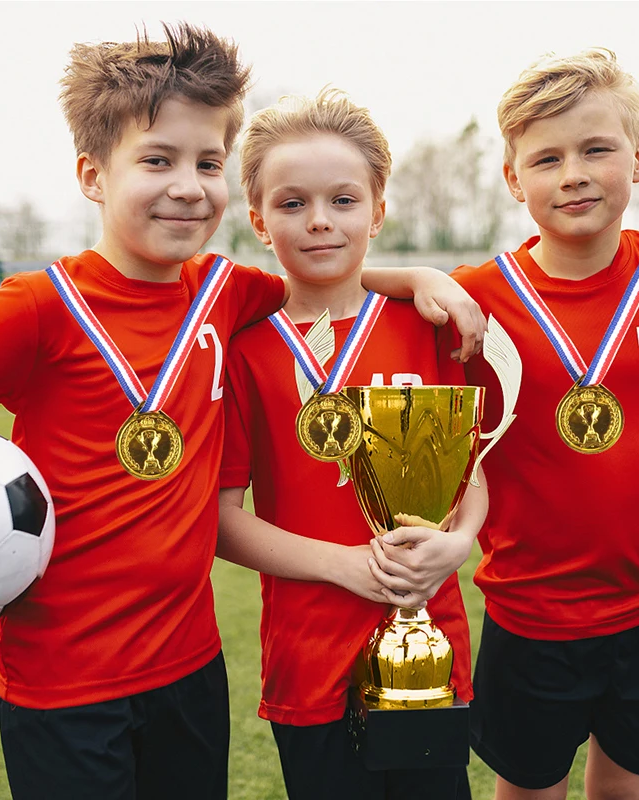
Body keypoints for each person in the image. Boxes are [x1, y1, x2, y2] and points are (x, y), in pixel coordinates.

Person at [0, 22, 486, 800]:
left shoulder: (224, 294)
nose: (188, 185)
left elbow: (322, 273)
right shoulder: (37, 308)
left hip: (189, 671)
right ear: (92, 174)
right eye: (157, 159)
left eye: (207, 162)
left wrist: (416, 273)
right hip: (64, 680)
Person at [451, 48, 639, 800]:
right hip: (532, 611)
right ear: (513, 179)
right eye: (547, 158)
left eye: (596, 149)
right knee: (530, 789)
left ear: (638, 160)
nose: (573, 173)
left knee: (631, 790)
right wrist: (420, 279)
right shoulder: (476, 297)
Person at [217, 88, 487, 800]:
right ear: (256, 221)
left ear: (378, 211)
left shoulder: (427, 323)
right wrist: (341, 565)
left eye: (342, 200)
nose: (319, 222)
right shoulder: (241, 350)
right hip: (308, 657)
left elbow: (472, 475)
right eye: (292, 203)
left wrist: (461, 543)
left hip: (430, 639)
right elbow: (220, 517)